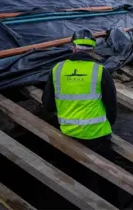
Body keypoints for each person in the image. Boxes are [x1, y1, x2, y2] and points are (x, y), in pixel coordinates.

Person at [42, 29, 118, 201]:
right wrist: (108, 124)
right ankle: (111, 203)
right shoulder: (99, 71)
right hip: (98, 134)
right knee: (107, 176)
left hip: (69, 132)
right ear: (92, 49)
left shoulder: (57, 70)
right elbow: (112, 106)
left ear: (73, 48)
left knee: (75, 173)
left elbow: (47, 104)